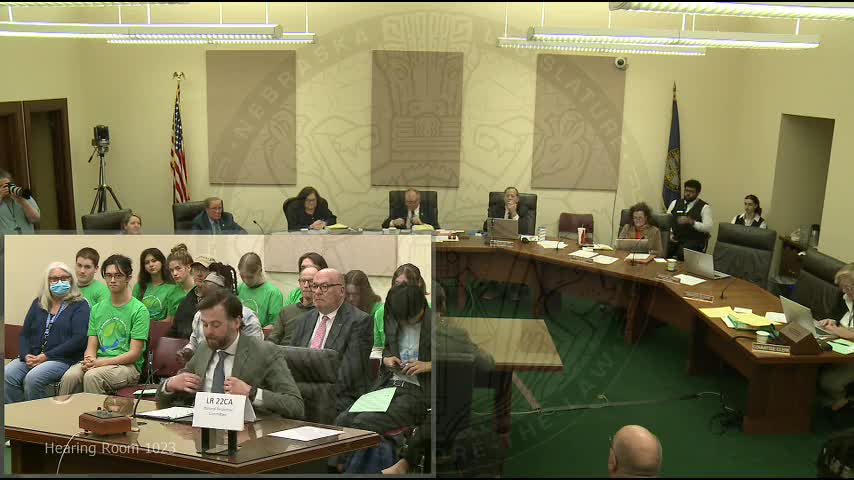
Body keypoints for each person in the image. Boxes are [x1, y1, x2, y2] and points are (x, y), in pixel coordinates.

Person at [155, 288, 305, 419]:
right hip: (202, 429)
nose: (208, 331)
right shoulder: (204, 347)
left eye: (215, 325)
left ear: (236, 322)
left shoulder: (265, 352)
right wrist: (170, 384)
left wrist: (252, 393)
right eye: (205, 324)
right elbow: (163, 396)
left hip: (247, 434)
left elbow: (295, 406)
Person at [336, 283, 432, 436]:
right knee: (342, 420)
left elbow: (461, 362)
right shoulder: (394, 322)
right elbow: (386, 348)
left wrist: (429, 365)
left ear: (421, 308)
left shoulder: (439, 327)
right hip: (388, 387)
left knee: (361, 423)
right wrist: (387, 359)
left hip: (417, 393)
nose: (403, 322)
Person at [58, 255, 149, 395]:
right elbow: (91, 347)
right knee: (70, 376)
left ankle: (94, 410)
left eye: (118, 275)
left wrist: (101, 363)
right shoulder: (97, 309)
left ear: (128, 278)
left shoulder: (139, 310)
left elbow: (134, 354)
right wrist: (89, 360)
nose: (112, 280)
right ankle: (66, 409)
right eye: (108, 275)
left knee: (92, 376)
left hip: (128, 367)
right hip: (99, 362)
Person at [290, 268, 373, 413]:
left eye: (324, 287)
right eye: (315, 286)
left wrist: (305, 392)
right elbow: (291, 362)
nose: (317, 292)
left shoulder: (359, 322)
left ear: (341, 291)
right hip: (301, 394)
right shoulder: (303, 321)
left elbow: (348, 376)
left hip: (338, 397)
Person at [5, 262, 90, 403]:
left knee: (33, 378)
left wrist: (46, 356)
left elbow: (79, 339)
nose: (59, 282)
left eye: (64, 278)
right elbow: (25, 334)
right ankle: (18, 412)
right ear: (47, 281)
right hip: (34, 356)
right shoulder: (38, 303)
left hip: (62, 359)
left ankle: (37, 414)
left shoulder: (80, 305)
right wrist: (26, 355)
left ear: (71, 280)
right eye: (54, 279)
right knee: (6, 374)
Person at [177, 262, 264, 366]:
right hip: (203, 371)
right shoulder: (200, 316)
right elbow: (194, 342)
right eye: (203, 297)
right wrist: (188, 351)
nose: (205, 301)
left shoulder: (248, 318)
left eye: (211, 297)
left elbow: (256, 355)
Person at [816, 264, 854, 412]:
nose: (844, 291)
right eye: (842, 287)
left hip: (850, 355)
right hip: (838, 345)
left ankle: (842, 402)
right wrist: (831, 321)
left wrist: (849, 334)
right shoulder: (844, 296)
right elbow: (837, 316)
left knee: (829, 381)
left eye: (848, 288)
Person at [372, 264, 428, 349]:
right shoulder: (381, 313)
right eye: (397, 284)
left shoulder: (430, 310)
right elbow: (377, 349)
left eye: (405, 285)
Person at [168, 255, 215, 340]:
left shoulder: (222, 300)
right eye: (196, 269)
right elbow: (174, 331)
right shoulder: (185, 302)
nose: (199, 274)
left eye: (204, 270)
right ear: (192, 272)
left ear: (214, 274)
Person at [268, 265, 317, 346]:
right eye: (303, 281)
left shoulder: (322, 313)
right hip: (283, 351)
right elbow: (272, 340)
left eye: (311, 281)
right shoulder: (286, 311)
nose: (306, 285)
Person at [666, 179, 713, 260]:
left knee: (682, 254)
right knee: (664, 250)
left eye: (691, 192)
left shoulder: (704, 207)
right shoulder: (675, 203)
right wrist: (670, 233)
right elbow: (667, 221)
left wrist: (692, 222)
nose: (688, 193)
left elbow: (708, 227)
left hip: (693, 240)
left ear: (698, 193)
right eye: (686, 190)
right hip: (675, 238)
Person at [133, 248, 183, 323]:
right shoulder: (139, 287)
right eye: (147, 263)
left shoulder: (172, 288)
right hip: (139, 327)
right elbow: (133, 314)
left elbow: (169, 320)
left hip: (161, 328)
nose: (151, 265)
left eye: (154, 261)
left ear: (162, 262)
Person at [237, 252, 284, 328]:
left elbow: (275, 325)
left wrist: (257, 333)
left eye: (250, 277)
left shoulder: (273, 293)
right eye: (242, 277)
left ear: (260, 271)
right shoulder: (240, 288)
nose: (245, 281)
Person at [0, 169, 40, 235]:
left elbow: (35, 219)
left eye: (8, 185)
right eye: (1, 186)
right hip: (4, 240)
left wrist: (22, 201)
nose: (6, 188)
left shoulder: (23, 195)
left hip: (26, 239)